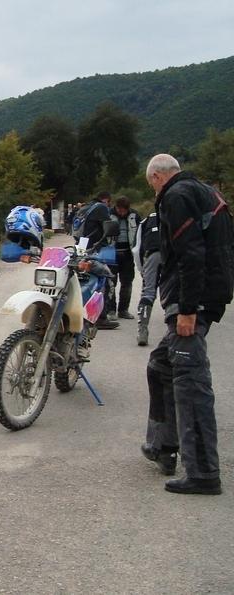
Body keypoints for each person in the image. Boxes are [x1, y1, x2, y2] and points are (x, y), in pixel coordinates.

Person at [141, 153, 233, 495]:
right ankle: (162, 445)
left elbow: (191, 254)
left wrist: (188, 310)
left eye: (150, 183)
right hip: (208, 293)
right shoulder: (207, 192)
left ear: (156, 178)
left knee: (191, 383)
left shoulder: (177, 197)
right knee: (161, 364)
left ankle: (203, 473)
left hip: (191, 300)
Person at [73, 192, 119, 330]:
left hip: (80, 248)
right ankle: (101, 317)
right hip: (95, 249)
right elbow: (109, 227)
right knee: (107, 278)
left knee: (85, 280)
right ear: (106, 200)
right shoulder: (101, 208)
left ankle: (82, 310)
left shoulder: (84, 208)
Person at [107, 196, 141, 320]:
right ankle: (110, 310)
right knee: (111, 282)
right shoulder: (108, 215)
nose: (121, 212)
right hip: (112, 253)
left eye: (123, 210)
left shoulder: (135, 216)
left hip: (127, 253)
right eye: (119, 209)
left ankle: (123, 310)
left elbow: (140, 234)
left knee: (127, 283)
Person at [132, 211, 161, 346]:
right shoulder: (179, 214)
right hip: (174, 256)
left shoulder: (146, 220)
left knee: (148, 292)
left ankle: (142, 330)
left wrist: (142, 270)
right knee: (175, 292)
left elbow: (137, 249)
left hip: (152, 254)